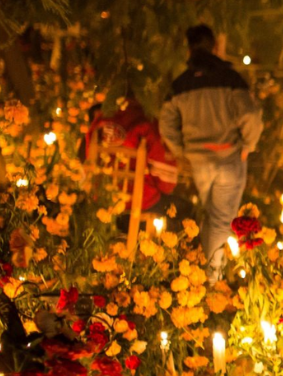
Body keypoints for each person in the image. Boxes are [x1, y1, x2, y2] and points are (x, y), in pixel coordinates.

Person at [159, 25, 262, 273]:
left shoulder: (180, 84)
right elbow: (250, 114)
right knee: (219, 220)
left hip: (199, 161)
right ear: (215, 47)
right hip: (228, 156)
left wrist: (181, 150)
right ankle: (212, 280)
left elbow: (166, 122)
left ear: (189, 49)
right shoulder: (231, 79)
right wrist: (248, 145)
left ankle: (209, 275)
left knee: (213, 216)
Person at [86, 99, 189, 231]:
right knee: (186, 211)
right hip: (140, 202)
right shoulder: (147, 122)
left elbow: (90, 158)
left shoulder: (99, 121)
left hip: (102, 201)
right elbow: (166, 182)